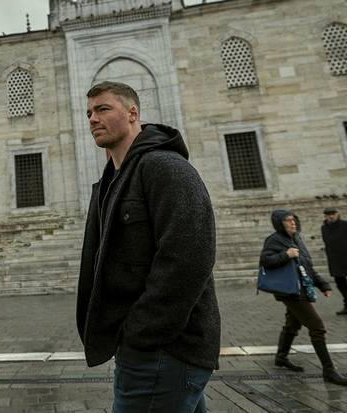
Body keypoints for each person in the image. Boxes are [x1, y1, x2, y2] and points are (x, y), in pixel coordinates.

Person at [76, 81, 220, 413]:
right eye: (88, 113)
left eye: (103, 109)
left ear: (132, 113)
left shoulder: (165, 167)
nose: (93, 119)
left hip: (164, 350)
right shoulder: (113, 180)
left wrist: (141, 333)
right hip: (155, 350)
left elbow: (189, 256)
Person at [261, 210, 347, 386]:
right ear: (279, 223)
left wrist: (322, 284)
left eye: (294, 220)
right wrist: (285, 255)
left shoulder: (297, 239)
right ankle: (329, 370)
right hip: (289, 291)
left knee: (292, 325)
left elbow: (306, 265)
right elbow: (265, 260)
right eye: (288, 221)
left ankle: (281, 357)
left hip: (301, 288)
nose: (292, 223)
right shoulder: (274, 240)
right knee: (317, 327)